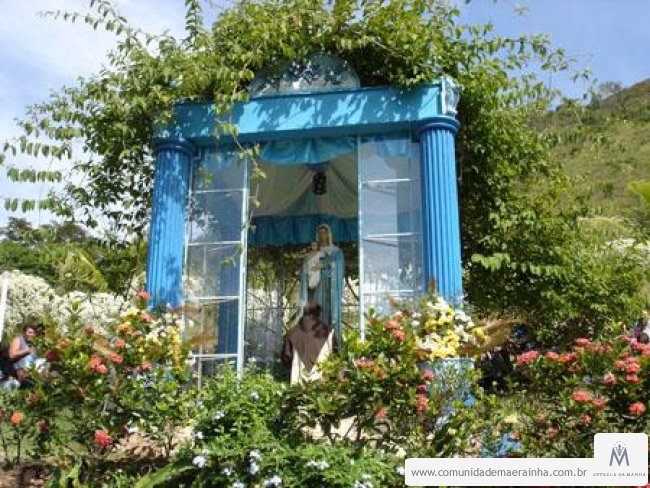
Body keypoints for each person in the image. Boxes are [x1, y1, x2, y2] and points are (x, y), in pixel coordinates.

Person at [299, 224, 344, 342]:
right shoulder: (313, 252)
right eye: (320, 233)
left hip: (329, 286)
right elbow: (305, 266)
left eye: (325, 233)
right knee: (315, 310)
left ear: (329, 235)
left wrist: (325, 264)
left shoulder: (336, 251)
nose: (322, 235)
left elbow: (338, 266)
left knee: (327, 311)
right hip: (315, 287)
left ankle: (328, 338)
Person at [281, 301, 337, 385]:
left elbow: (286, 358)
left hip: (299, 383)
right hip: (323, 383)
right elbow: (336, 357)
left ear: (303, 313)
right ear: (319, 314)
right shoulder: (328, 332)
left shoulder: (293, 333)